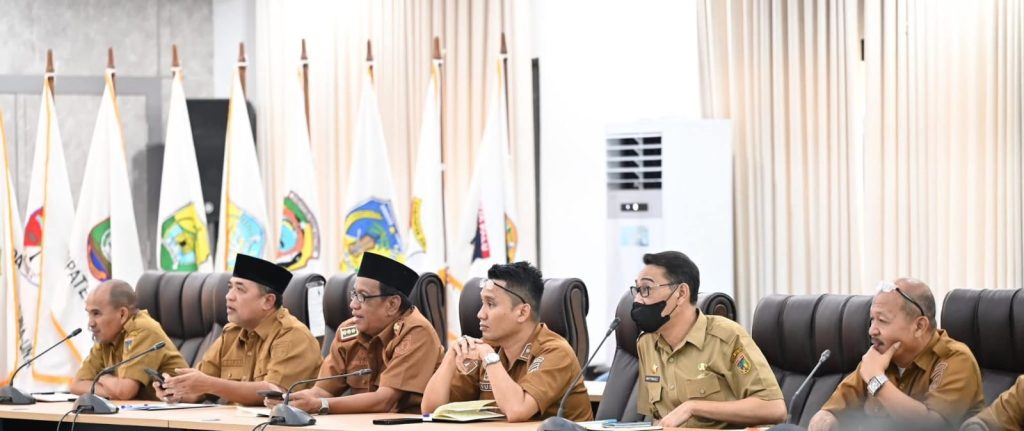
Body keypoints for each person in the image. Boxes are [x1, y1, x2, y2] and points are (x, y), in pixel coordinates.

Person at [265, 252, 443, 415]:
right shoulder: (348, 332)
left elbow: (385, 401)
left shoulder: (416, 332)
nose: (353, 305)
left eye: (362, 296)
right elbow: (322, 391)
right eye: (353, 295)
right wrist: (290, 400)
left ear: (392, 304)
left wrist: (320, 404)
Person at [421, 262, 592, 422]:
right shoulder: (488, 347)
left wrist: (489, 357)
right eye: (482, 303)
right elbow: (430, 410)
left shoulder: (556, 352)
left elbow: (517, 410)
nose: (480, 314)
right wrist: (451, 357)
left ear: (522, 313)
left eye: (491, 304)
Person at [808, 278, 985, 431]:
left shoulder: (955, 359)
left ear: (919, 326)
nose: (872, 330)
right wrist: (826, 417)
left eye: (882, 320)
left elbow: (931, 427)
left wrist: (876, 380)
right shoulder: (878, 357)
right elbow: (834, 408)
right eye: (872, 319)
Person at [633, 251, 786, 428]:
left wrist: (693, 407)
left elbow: (774, 408)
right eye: (636, 290)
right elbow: (657, 418)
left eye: (646, 289)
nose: (637, 299)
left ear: (681, 293)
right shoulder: (646, 343)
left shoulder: (727, 337)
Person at [155, 253, 321, 405]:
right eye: (230, 287)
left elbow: (274, 393)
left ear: (268, 301)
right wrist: (175, 391)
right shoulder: (232, 333)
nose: (229, 296)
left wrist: (209, 384)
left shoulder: (293, 335)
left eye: (240, 289)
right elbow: (198, 391)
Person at [71, 279, 188, 400]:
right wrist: (112, 390)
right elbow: (77, 385)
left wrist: (101, 378)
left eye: (96, 313)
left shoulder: (143, 329)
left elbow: (124, 391)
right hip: (142, 409)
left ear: (122, 314)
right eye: (89, 314)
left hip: (183, 407)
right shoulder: (106, 336)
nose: (90, 323)